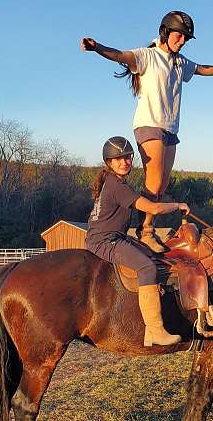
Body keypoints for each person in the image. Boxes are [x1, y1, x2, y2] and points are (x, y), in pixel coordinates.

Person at [81, 10, 213, 252]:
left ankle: (147, 227)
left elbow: (203, 69)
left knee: (162, 184)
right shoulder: (148, 56)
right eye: (179, 36)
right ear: (165, 32)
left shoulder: (180, 62)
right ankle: (145, 231)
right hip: (149, 123)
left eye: (186, 39)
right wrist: (97, 47)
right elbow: (120, 55)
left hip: (170, 128)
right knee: (154, 179)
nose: (182, 42)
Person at [86, 136, 190, 346]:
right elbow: (153, 208)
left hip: (110, 237)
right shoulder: (118, 187)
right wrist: (178, 205)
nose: (124, 162)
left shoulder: (112, 182)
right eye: (118, 159)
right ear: (109, 162)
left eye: (127, 158)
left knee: (151, 253)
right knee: (146, 267)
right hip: (106, 241)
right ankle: (154, 330)